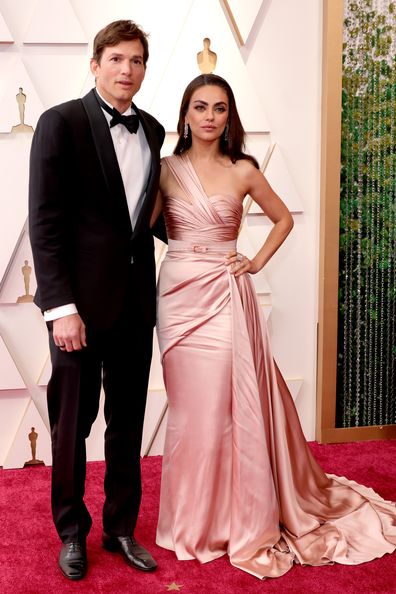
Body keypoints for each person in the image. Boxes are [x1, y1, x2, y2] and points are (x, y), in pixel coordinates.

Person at [151, 74, 396, 579]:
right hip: (176, 297)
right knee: (188, 412)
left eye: (220, 108)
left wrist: (255, 262)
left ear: (229, 116)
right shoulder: (165, 171)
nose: (209, 117)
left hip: (223, 295)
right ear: (185, 114)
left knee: (222, 407)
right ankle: (189, 520)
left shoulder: (243, 170)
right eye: (200, 107)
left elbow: (283, 219)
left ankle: (228, 518)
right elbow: (142, 228)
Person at [29, 20, 165, 581]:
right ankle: (71, 532)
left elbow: (147, 221)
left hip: (135, 303)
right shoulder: (60, 123)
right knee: (71, 425)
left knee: (127, 423)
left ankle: (120, 528)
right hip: (78, 311)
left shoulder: (153, 130)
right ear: (95, 63)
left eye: (136, 61)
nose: (126, 70)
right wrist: (61, 307)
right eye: (116, 59)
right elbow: (46, 221)